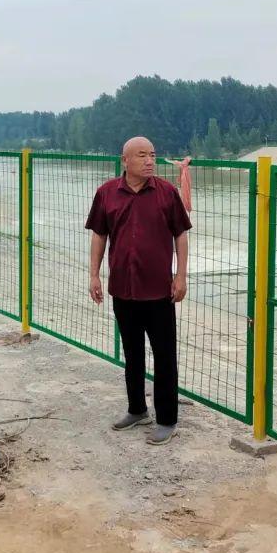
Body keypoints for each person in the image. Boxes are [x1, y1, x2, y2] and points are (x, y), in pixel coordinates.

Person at [86, 136, 191, 445]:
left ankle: (167, 419)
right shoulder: (107, 193)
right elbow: (99, 236)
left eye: (153, 155)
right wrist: (94, 274)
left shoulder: (167, 193)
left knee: (164, 356)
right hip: (123, 289)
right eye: (142, 155)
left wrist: (181, 275)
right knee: (131, 354)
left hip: (159, 291)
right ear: (125, 161)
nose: (149, 160)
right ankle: (136, 409)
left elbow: (181, 236)